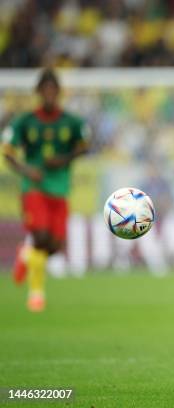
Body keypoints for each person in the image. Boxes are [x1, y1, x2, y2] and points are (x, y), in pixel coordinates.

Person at [2, 68, 89, 312]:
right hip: (35, 187)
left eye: (53, 90)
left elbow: (85, 145)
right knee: (40, 237)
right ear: (39, 92)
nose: (50, 94)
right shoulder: (25, 121)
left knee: (54, 246)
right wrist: (27, 171)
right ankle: (36, 294)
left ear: (59, 92)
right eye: (45, 90)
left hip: (60, 188)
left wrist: (64, 159)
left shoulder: (72, 122)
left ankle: (25, 255)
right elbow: (7, 151)